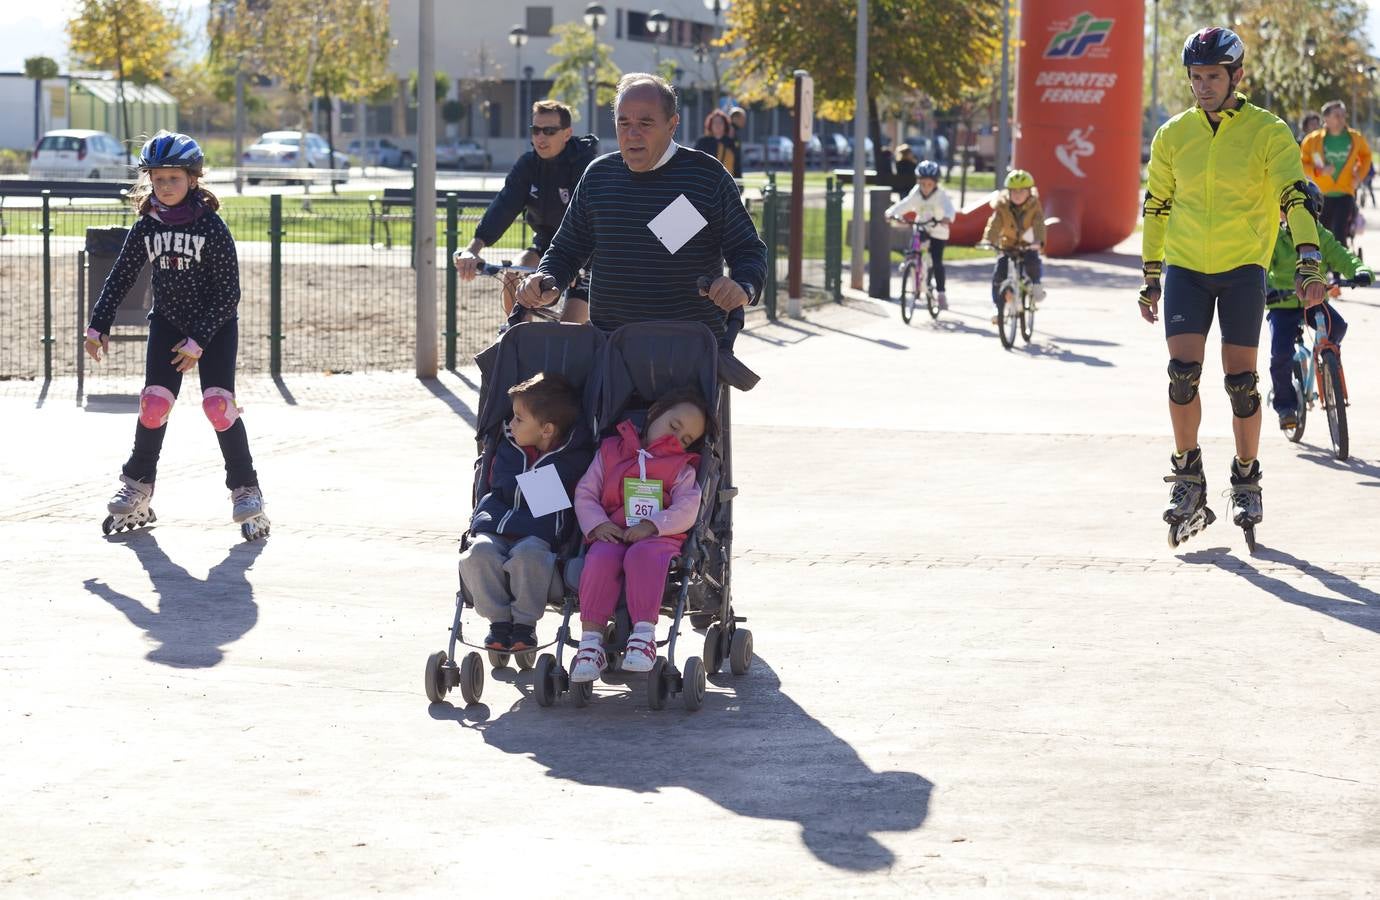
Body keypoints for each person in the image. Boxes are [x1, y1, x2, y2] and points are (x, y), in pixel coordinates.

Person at [1139, 27, 1325, 545]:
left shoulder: (1268, 131)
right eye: (1196, 77)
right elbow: (1156, 205)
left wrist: (1308, 256)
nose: (1202, 86)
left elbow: (1294, 196)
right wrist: (1150, 274)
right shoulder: (1173, 134)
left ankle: (1246, 479)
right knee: (1181, 374)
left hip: (1243, 266)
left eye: (1212, 77)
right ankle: (1187, 478)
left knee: (1240, 382)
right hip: (1185, 268)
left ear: (1236, 77)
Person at [83, 131, 268, 538]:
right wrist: (98, 324)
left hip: (214, 328)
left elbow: (229, 295)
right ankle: (137, 487)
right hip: (167, 323)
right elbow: (120, 276)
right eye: (158, 178)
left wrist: (198, 341)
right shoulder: (148, 226)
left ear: (193, 179)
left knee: (218, 406)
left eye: (174, 178)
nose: (164, 187)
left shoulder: (212, 229)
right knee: (153, 405)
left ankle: (246, 489)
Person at [516, 73, 767, 349]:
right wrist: (546, 279)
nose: (632, 134)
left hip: (687, 353)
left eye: (645, 123)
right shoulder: (598, 177)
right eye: (623, 123)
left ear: (672, 125)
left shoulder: (707, 178)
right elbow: (566, 249)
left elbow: (748, 251)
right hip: (610, 350)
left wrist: (744, 287)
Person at [567, 386, 709, 681]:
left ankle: (644, 634)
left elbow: (688, 507)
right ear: (655, 412)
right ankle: (591, 642)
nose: (674, 439)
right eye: (673, 427)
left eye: (685, 440)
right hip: (614, 531)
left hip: (659, 537)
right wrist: (597, 524)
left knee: (644, 555)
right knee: (601, 557)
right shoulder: (610, 452)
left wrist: (654, 525)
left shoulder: (681, 468)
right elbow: (586, 493)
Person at [457, 373, 592, 652]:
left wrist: (531, 479)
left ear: (546, 430)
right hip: (495, 524)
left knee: (529, 555)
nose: (510, 423)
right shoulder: (509, 448)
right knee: (478, 553)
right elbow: (501, 486)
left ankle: (524, 625)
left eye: (519, 418)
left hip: (539, 533)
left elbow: (548, 507)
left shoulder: (572, 458)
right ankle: (499, 621)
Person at [453, 100, 599, 323]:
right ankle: (519, 336)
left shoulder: (586, 166)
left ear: (567, 133)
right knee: (513, 274)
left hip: (586, 253)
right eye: (535, 130)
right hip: (546, 242)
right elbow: (503, 206)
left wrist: (573, 264)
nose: (541, 137)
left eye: (549, 131)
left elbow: (594, 219)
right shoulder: (528, 165)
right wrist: (473, 249)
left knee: (569, 330)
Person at [1264, 181, 1370, 429]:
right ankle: (1286, 406)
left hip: (1314, 301)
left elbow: (1342, 256)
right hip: (1283, 303)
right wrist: (1265, 288)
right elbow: (1264, 264)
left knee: (1339, 327)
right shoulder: (1276, 237)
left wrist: (1360, 270)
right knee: (1280, 354)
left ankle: (1324, 360)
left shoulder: (1321, 236)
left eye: (1310, 212)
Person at [1300, 100, 1371, 247]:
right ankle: (1323, 266)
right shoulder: (1312, 140)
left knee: (1340, 232)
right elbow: (1302, 163)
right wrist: (1319, 171)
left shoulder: (1355, 138)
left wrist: (1359, 175)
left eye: (1343, 115)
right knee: (1322, 232)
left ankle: (1339, 269)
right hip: (1320, 195)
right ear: (1326, 118)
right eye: (1337, 115)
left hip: (1345, 192)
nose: (1341, 119)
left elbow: (1366, 156)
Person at [886, 159, 955, 309]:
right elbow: (905, 204)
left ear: (935, 183)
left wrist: (947, 218)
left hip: (939, 229)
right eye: (922, 184)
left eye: (929, 184)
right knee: (915, 244)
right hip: (922, 225)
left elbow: (950, 210)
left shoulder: (941, 195)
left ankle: (941, 293)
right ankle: (911, 262)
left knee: (937, 261)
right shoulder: (916, 193)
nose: (925, 188)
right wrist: (891, 213)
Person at [982, 168, 1046, 324]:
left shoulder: (1034, 206)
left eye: (1022, 191)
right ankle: (998, 308)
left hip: (1027, 245)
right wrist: (988, 240)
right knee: (999, 273)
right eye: (1014, 191)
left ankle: (1036, 284)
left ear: (1029, 192)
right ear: (1008, 192)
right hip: (1008, 244)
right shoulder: (1002, 206)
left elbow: (1039, 225)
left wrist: (1038, 241)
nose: (1017, 195)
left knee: (1032, 262)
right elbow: (995, 224)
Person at [693, 109, 740, 180]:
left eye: (720, 122)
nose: (717, 125)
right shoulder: (702, 142)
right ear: (710, 125)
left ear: (725, 125)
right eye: (715, 122)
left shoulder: (731, 143)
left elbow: (737, 165)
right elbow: (695, 163)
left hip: (727, 183)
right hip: (706, 181)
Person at [728, 106, 747, 179]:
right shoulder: (730, 131)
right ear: (735, 118)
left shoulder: (735, 131)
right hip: (732, 172)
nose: (744, 121)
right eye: (742, 118)